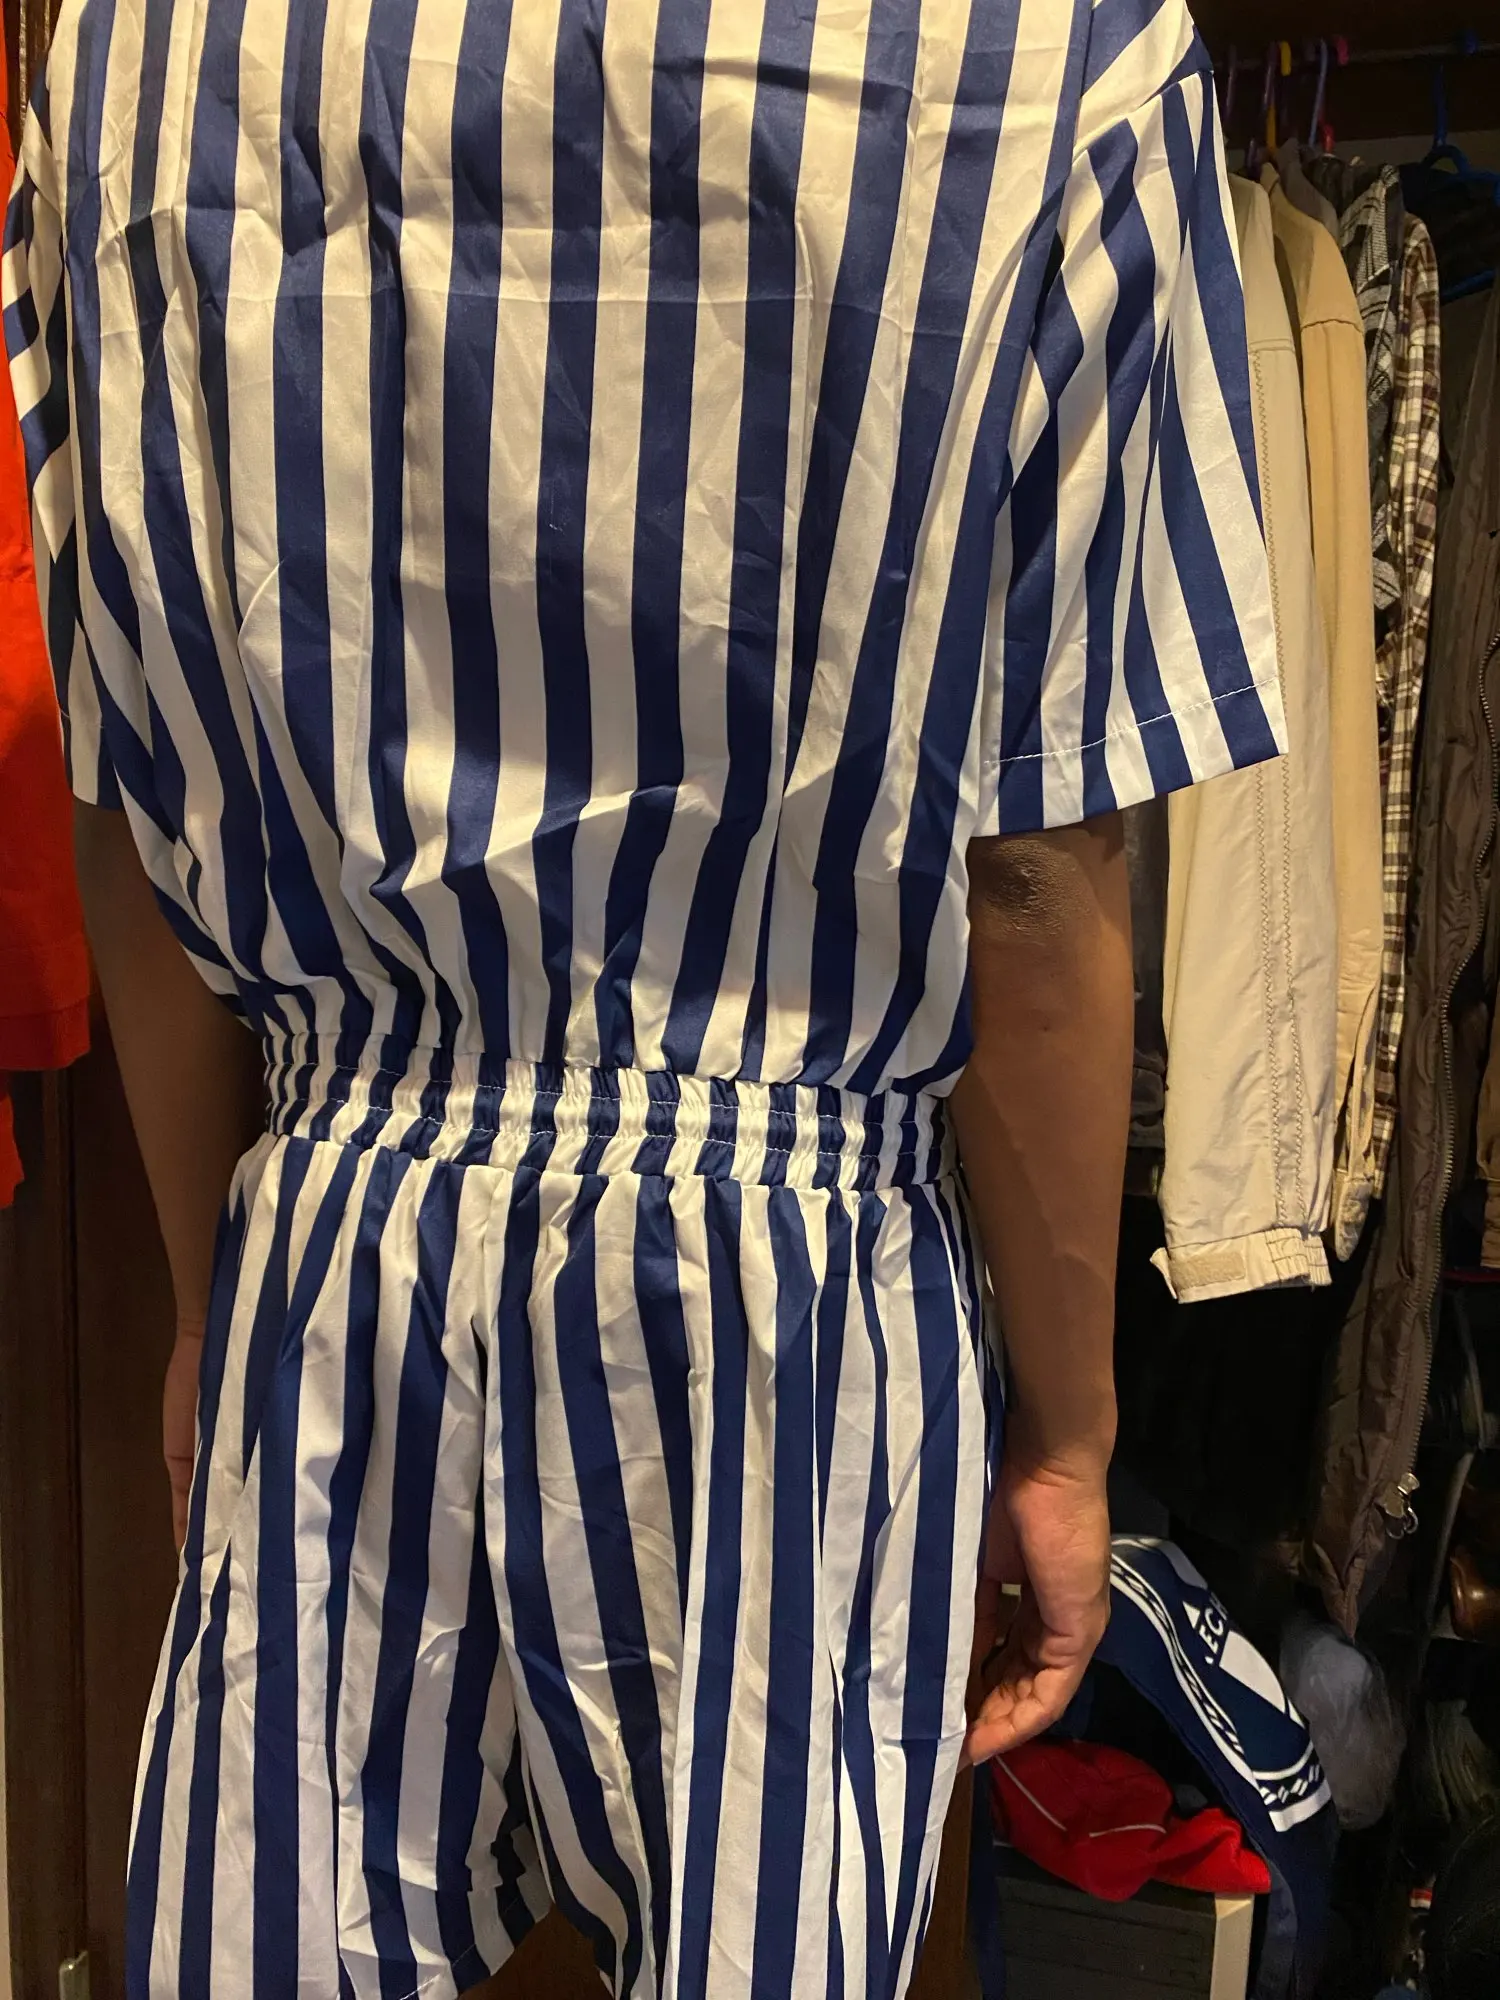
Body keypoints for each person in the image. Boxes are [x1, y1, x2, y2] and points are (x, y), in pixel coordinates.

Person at [4, 0, 1284, 1993]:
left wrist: (204, 1299)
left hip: (337, 1231)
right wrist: (1065, 1436)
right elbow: (1032, 867)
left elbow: (125, 783)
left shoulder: (119, 56)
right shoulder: (1060, 54)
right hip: (797, 1302)